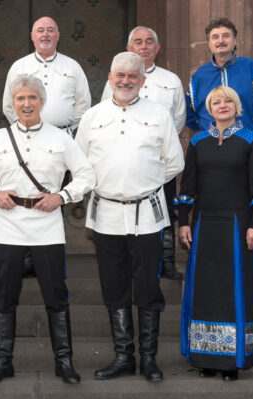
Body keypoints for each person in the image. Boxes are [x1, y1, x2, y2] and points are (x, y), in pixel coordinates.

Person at [0, 75, 95, 384]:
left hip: (47, 228)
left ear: (42, 102)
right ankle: (2, 361)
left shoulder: (60, 138)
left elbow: (86, 174)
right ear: (12, 103)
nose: (27, 104)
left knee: (56, 295)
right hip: (9, 228)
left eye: (33, 98)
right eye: (21, 99)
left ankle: (64, 362)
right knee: (4, 297)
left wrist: (61, 197)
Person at [76, 52, 184, 382]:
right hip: (106, 215)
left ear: (143, 80)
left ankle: (148, 359)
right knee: (114, 285)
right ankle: (124, 355)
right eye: (119, 76)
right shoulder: (92, 117)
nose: (125, 81)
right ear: (110, 78)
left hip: (147, 216)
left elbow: (174, 163)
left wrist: (142, 185)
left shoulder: (160, 115)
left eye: (132, 77)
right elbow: (80, 162)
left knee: (149, 286)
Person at [176, 86, 253, 381]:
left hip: (239, 226)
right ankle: (205, 357)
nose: (222, 105)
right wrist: (183, 221)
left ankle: (233, 361)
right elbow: (188, 186)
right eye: (216, 102)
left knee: (235, 290)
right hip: (205, 225)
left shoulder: (251, 140)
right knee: (205, 290)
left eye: (227, 100)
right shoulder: (199, 141)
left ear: (236, 106)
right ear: (209, 108)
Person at [101, 25, 186, 280]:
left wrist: (161, 148)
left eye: (149, 41)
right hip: (127, 161)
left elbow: (178, 119)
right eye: (138, 42)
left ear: (157, 48)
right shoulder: (117, 79)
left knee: (166, 210)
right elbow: (110, 113)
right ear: (129, 48)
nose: (144, 45)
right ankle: (130, 261)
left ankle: (166, 262)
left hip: (160, 160)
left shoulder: (171, 80)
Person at [185, 18, 253, 132]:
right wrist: (205, 129)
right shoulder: (199, 76)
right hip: (211, 145)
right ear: (209, 44)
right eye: (215, 37)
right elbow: (189, 113)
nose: (221, 41)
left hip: (248, 142)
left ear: (234, 40)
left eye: (226, 36)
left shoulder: (251, 68)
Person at [2, 16, 91, 134]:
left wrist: (67, 128)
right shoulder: (19, 66)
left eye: (50, 30)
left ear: (58, 36)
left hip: (62, 136)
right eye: (40, 31)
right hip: (27, 136)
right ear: (32, 36)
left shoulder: (73, 66)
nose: (45, 35)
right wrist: (23, 127)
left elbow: (83, 103)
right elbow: (8, 105)